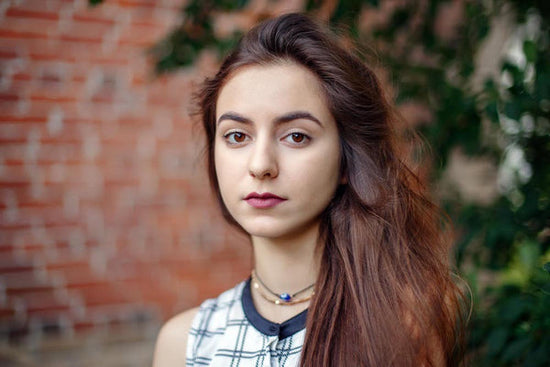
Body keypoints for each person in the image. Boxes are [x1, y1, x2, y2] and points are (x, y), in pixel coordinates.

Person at [153, 12, 466, 367]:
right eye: (237, 136)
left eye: (296, 136)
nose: (260, 165)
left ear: (347, 161)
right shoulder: (185, 344)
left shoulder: (402, 326)